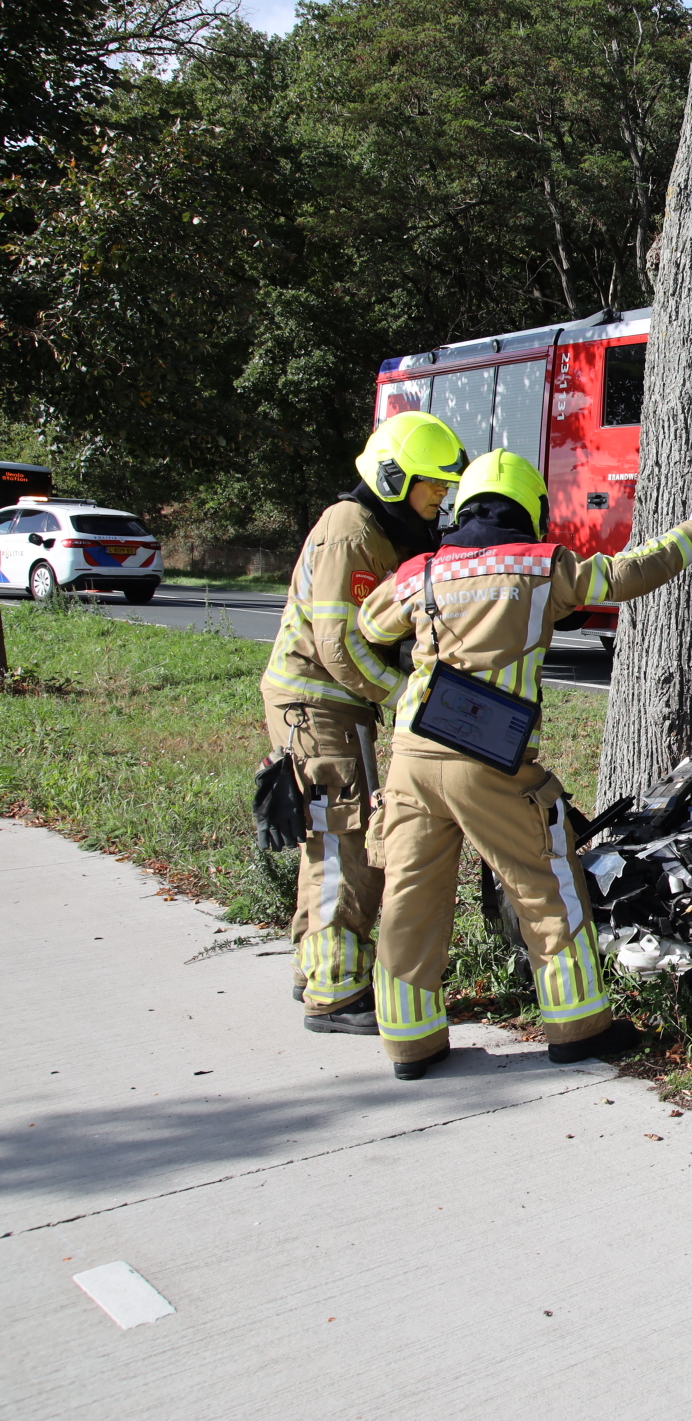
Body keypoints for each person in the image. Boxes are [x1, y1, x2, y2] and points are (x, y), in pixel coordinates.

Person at [356, 448, 692, 1080]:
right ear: (530, 507)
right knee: (546, 884)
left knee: (411, 896)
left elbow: (371, 623)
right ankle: (579, 1027)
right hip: (488, 758)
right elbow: (624, 574)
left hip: (412, 755)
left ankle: (409, 1043)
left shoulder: (421, 571)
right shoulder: (538, 565)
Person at [264, 410, 469, 1033]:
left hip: (333, 704)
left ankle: (318, 967)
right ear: (391, 477)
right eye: (430, 486)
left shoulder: (376, 529)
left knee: (332, 834)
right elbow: (339, 646)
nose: (439, 499)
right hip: (320, 702)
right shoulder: (351, 532)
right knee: (343, 837)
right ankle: (336, 992)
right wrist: (409, 693)